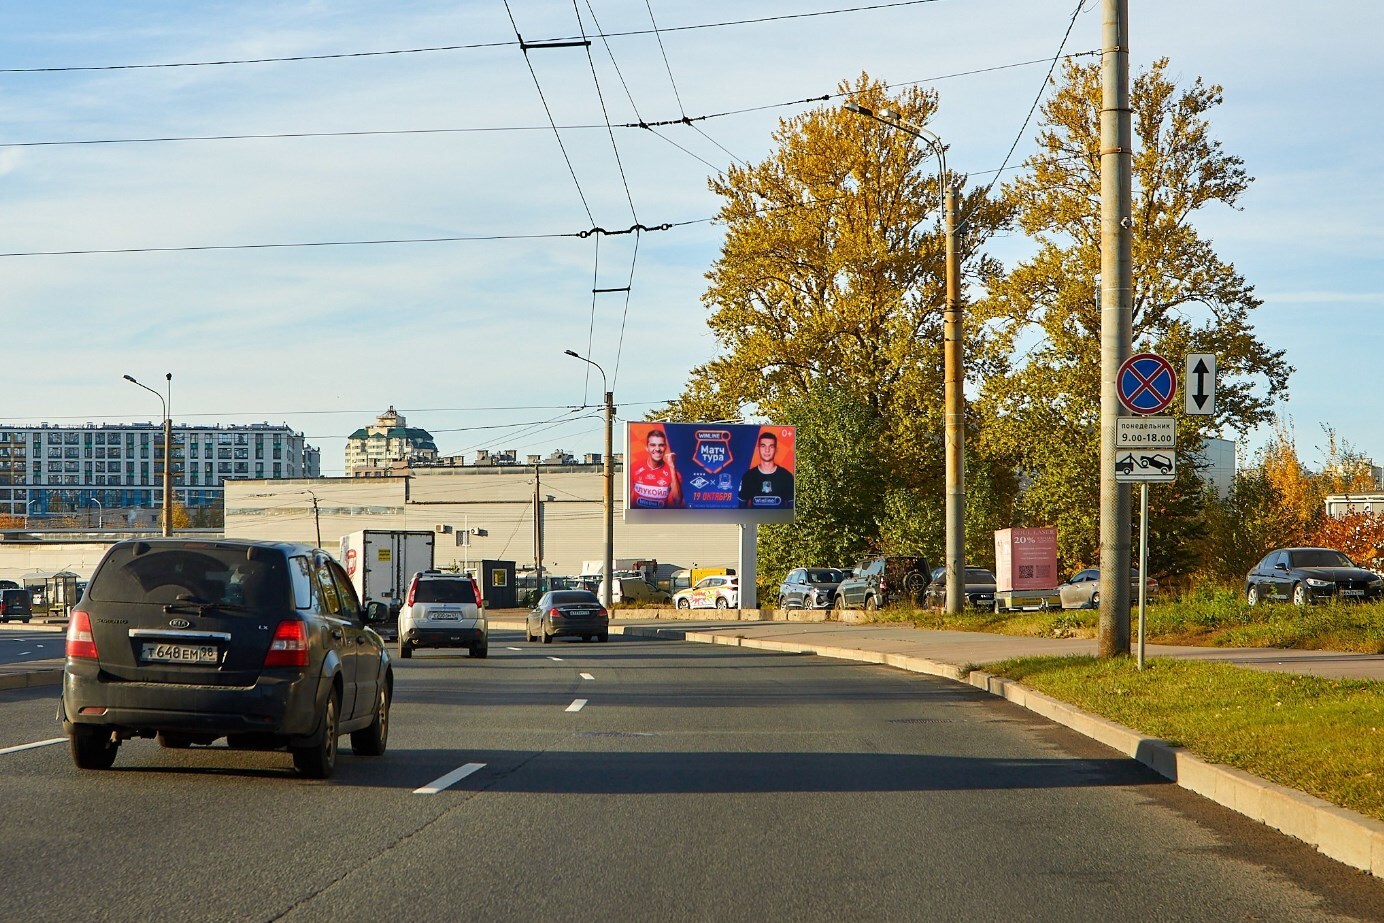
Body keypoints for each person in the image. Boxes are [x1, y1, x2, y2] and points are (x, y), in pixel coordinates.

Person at [629, 428, 684, 508]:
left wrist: (672, 467)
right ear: (647, 448)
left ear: (665, 447)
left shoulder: (674, 473)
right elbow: (628, 497)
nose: (657, 449)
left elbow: (677, 500)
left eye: (661, 445)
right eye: (653, 445)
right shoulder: (634, 467)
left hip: (660, 518)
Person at [739, 430, 794, 508]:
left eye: (771, 446)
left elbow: (792, 509)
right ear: (758, 449)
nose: (767, 450)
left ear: (776, 450)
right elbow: (741, 507)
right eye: (763, 446)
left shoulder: (786, 476)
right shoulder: (748, 476)